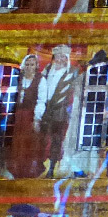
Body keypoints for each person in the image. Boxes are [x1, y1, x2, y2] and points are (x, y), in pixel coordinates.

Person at [33, 45, 78, 178]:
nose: (61, 59)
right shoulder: (47, 70)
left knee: (56, 141)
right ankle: (39, 166)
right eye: (58, 56)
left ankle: (52, 168)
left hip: (60, 111)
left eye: (63, 56)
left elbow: (74, 93)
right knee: (41, 139)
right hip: (45, 109)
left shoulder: (72, 72)